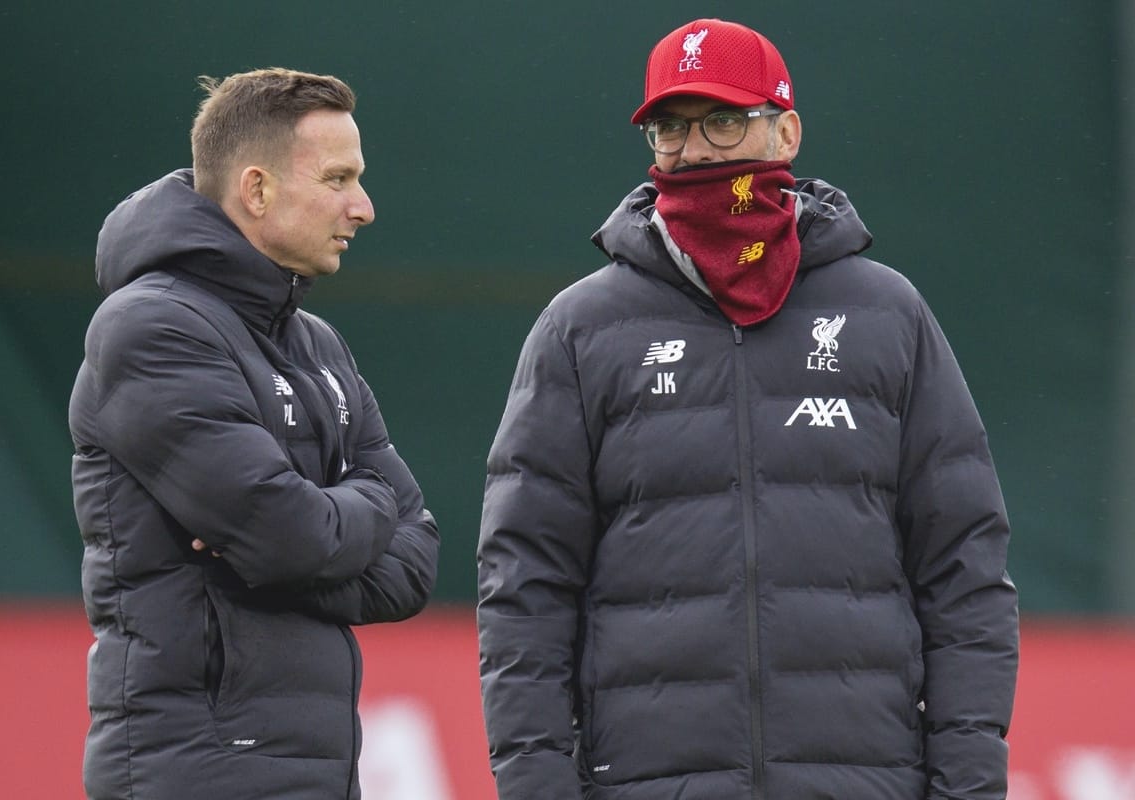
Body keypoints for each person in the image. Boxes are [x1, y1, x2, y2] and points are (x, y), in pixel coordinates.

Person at [477, 18, 1018, 800]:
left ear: (787, 130)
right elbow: (524, 582)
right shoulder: (581, 327)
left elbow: (964, 567)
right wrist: (535, 782)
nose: (695, 152)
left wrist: (968, 782)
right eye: (669, 128)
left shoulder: (888, 314)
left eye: (724, 122)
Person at [69, 68, 439, 800]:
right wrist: (351, 514)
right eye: (338, 179)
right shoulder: (150, 326)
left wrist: (286, 550)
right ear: (257, 190)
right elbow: (292, 538)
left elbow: (415, 562)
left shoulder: (319, 343)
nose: (362, 207)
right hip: (198, 771)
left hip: (318, 771)